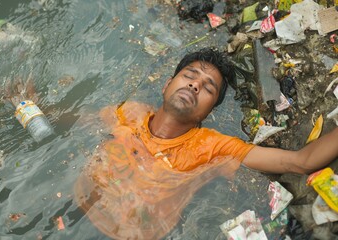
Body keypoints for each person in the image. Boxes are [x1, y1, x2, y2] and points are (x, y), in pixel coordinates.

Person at [73, 48, 338, 239]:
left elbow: (298, 161)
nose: (195, 85)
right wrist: (32, 109)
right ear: (167, 85)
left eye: (208, 88)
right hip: (77, 210)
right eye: (190, 75)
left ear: (209, 112)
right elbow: (79, 120)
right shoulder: (128, 113)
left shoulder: (212, 147)